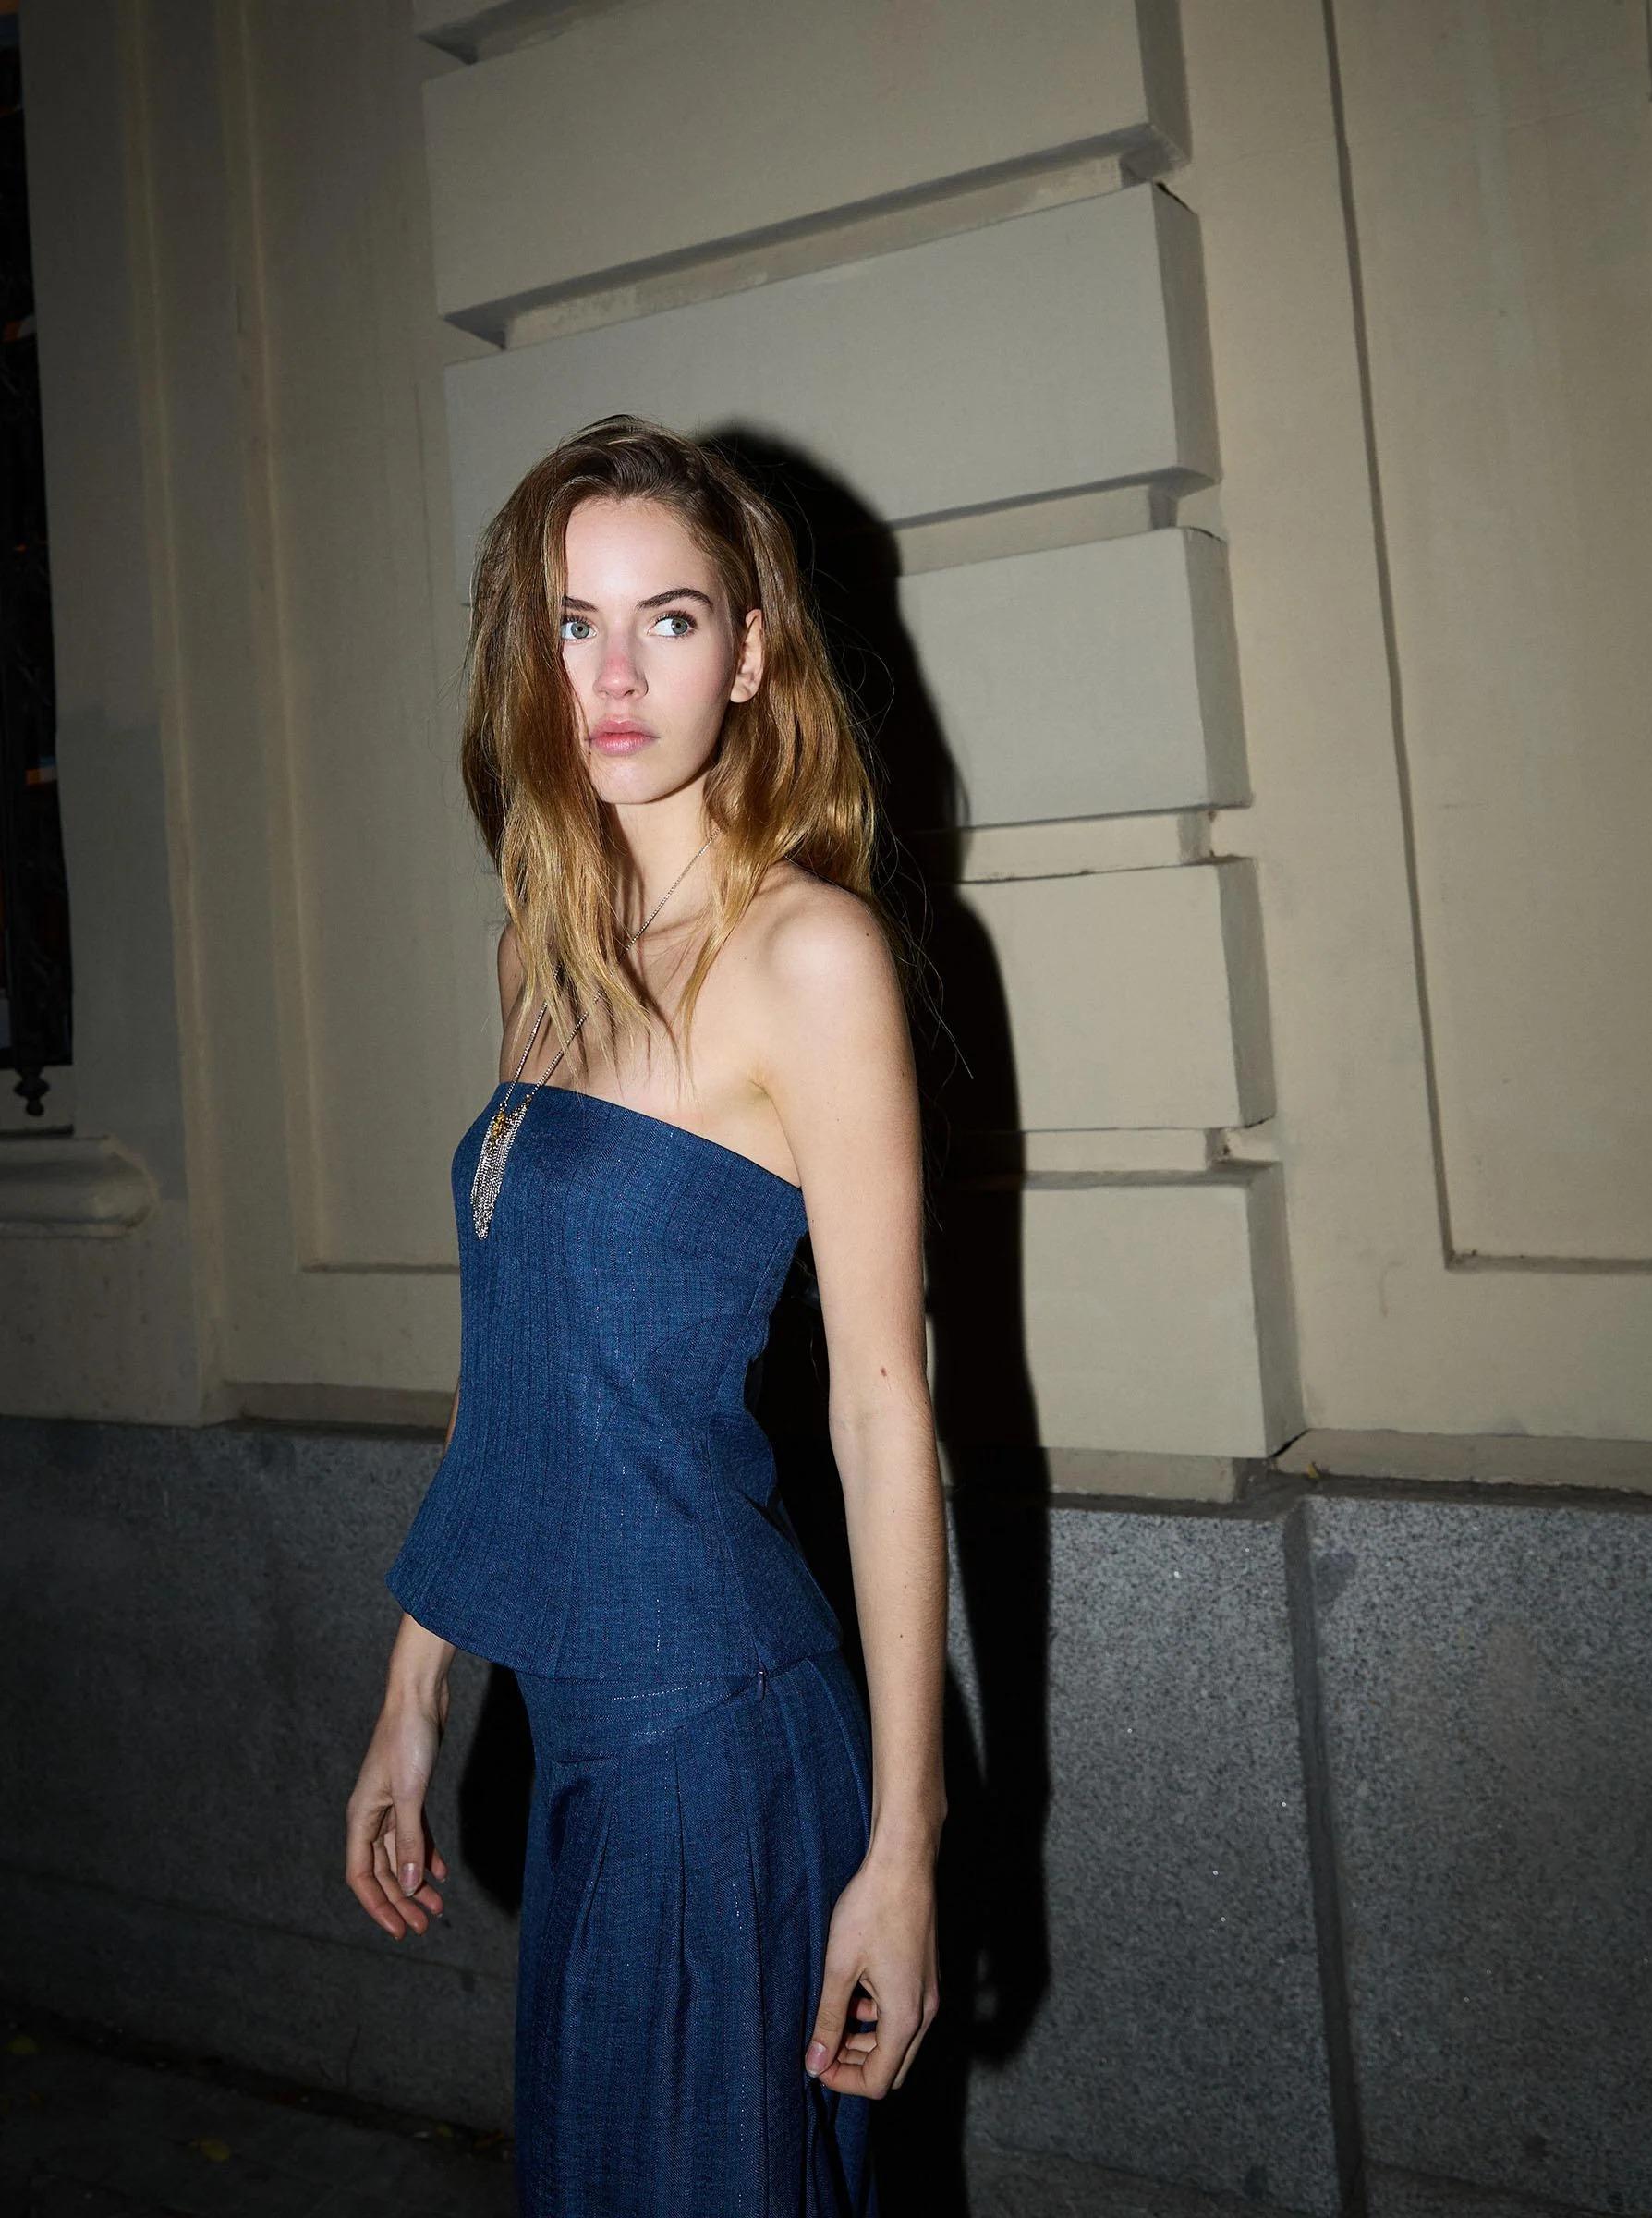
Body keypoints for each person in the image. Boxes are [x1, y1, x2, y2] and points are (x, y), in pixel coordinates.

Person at [343, 414, 947, 2215]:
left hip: (717, 1738)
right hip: (580, 1738)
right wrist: (413, 1689)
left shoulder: (806, 955)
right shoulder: (541, 949)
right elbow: (513, 1381)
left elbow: (883, 1413)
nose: (612, 678)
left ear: (748, 652)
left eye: (668, 621)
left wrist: (905, 1849)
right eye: (572, 624)